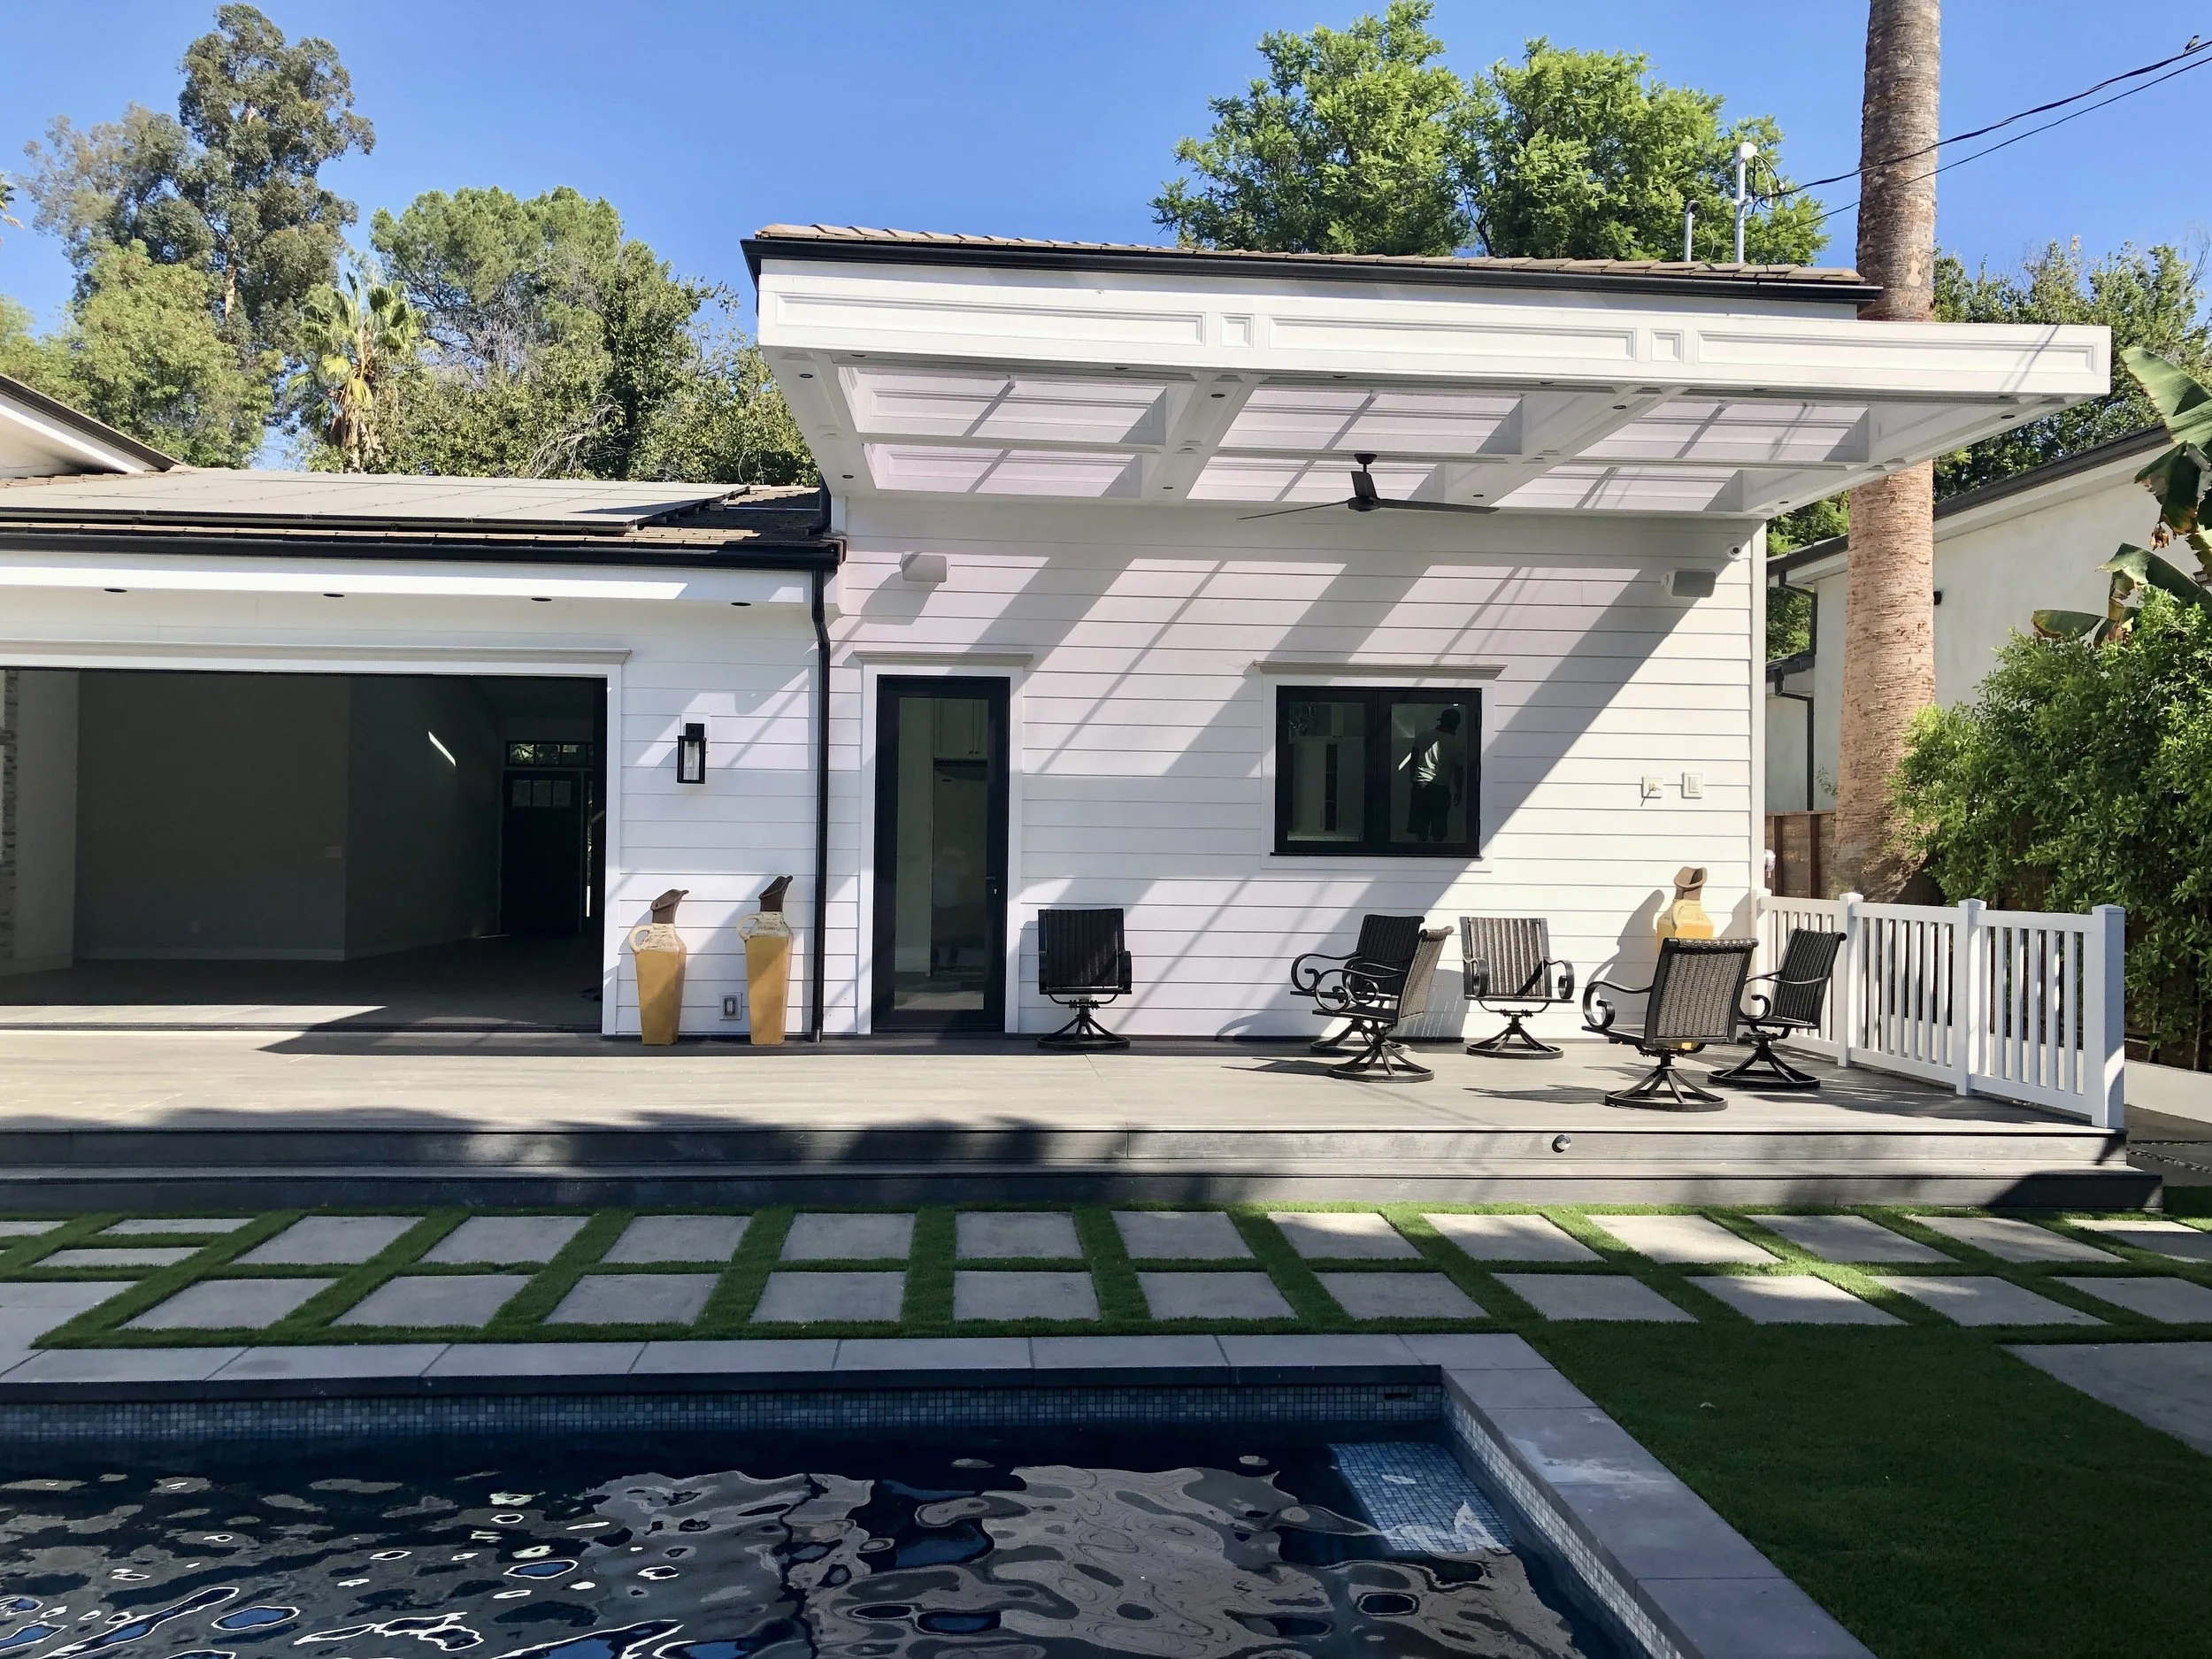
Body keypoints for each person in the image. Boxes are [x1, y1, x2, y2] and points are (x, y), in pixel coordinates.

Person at [1403, 705, 1463, 841]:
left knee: (1420, 827)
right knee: (1439, 827)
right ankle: (1436, 853)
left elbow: (1413, 759)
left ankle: (1421, 854)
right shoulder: (1455, 743)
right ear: (1455, 724)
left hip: (1421, 785)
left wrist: (1412, 777)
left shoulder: (1423, 736)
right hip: (1441, 788)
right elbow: (1458, 770)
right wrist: (1459, 791)